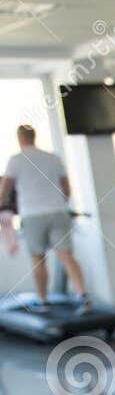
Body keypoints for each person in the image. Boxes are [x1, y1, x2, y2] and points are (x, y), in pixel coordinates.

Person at [0, 125, 90, 307]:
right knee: (67, 255)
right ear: (34, 136)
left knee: (38, 258)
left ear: (19, 138)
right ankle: (83, 295)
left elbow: (5, 189)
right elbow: (66, 186)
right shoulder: (52, 158)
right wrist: (62, 202)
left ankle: (43, 300)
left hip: (32, 214)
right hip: (58, 211)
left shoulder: (16, 160)